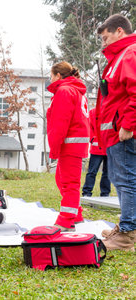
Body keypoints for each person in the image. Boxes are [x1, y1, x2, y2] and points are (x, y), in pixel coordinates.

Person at [95, 14, 135, 251]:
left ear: (119, 31)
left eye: (105, 37)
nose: (103, 43)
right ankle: (126, 227)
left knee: (126, 182)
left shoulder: (129, 54)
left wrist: (128, 126)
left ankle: (127, 235)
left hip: (123, 133)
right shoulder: (121, 56)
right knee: (123, 182)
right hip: (116, 132)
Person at [47, 61, 90, 232]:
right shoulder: (75, 90)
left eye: (51, 76)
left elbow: (60, 122)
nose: (50, 80)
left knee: (69, 183)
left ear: (58, 75)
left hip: (69, 143)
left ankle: (66, 220)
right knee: (62, 180)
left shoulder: (64, 91)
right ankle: (76, 214)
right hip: (74, 142)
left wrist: (54, 147)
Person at [81, 107, 111, 197]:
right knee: (92, 172)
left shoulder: (111, 111)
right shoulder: (93, 112)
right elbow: (88, 126)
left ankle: (105, 194)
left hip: (109, 147)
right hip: (97, 148)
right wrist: (93, 138)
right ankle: (87, 192)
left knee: (107, 173)